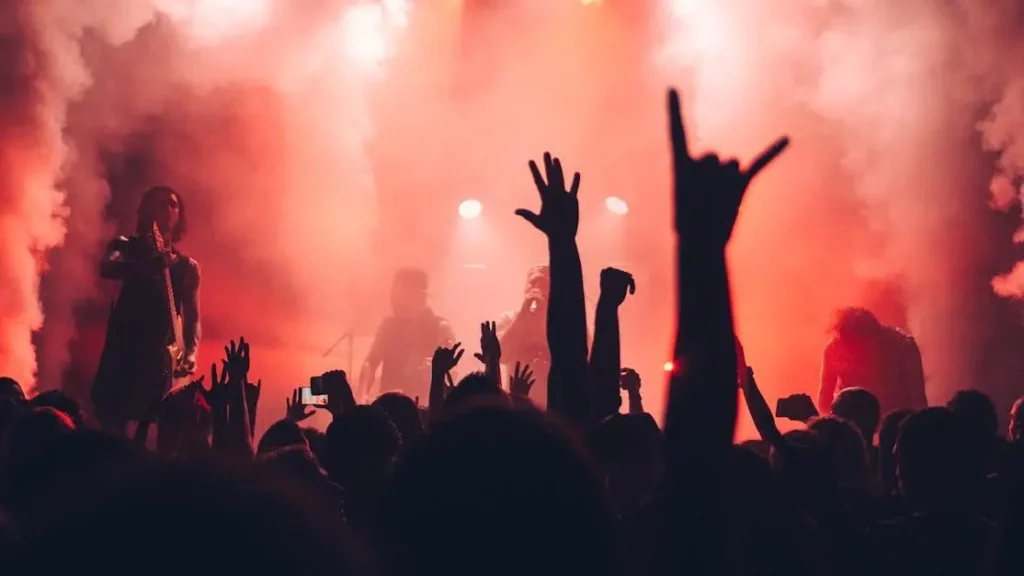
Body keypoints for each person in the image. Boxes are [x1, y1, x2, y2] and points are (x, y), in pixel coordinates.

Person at [91, 185, 201, 434]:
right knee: (113, 425)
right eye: (160, 203)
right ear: (146, 209)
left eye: (173, 204)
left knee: (156, 428)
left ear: (179, 215)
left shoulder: (187, 266)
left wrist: (191, 352)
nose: (166, 209)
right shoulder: (123, 246)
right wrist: (147, 264)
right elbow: (108, 267)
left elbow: (193, 316)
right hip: (123, 350)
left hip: (159, 358)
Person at [359, 268, 455, 402]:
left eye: (398, 294)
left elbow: (453, 373)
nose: (392, 299)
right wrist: (363, 394)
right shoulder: (388, 326)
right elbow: (370, 362)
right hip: (389, 409)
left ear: (416, 296)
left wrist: (432, 367)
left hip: (426, 408)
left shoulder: (440, 327)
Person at [817, 307, 926, 417]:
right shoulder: (835, 348)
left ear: (873, 337)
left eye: (856, 345)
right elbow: (825, 394)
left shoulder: (903, 346)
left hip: (893, 420)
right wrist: (827, 425)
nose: (852, 353)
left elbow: (917, 397)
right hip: (851, 419)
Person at [496, 265, 551, 402]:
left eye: (543, 283)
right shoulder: (509, 318)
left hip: (554, 406)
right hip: (517, 405)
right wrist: (522, 315)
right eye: (533, 282)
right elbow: (499, 355)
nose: (536, 288)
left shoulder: (567, 322)